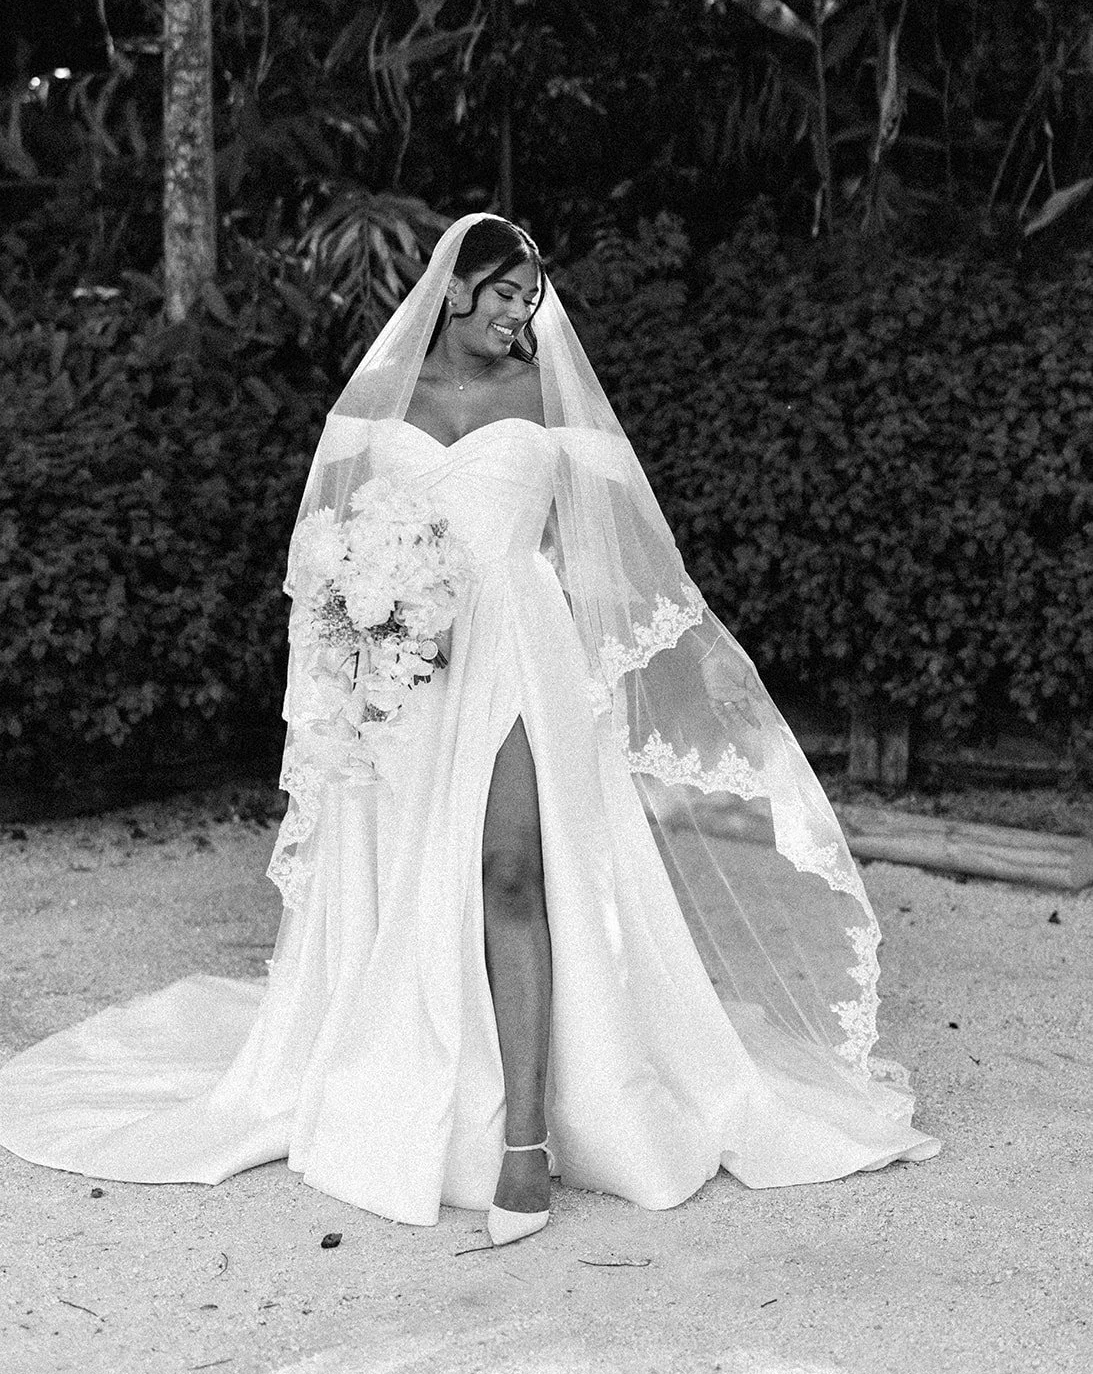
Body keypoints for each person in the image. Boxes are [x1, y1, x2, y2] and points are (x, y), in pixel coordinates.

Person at [0, 213, 938, 1246]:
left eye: (530, 299)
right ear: (452, 288)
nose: (518, 314)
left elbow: (617, 539)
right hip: (405, 674)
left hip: (522, 650)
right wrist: (367, 614)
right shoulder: (377, 403)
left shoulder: (547, 397)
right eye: (503, 294)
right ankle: (427, 1086)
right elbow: (323, 552)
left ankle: (524, 1139)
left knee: (511, 869)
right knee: (417, 876)